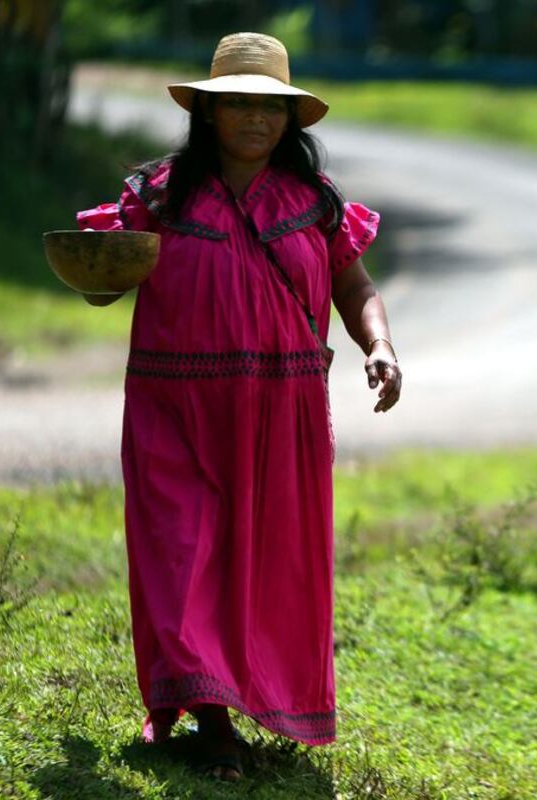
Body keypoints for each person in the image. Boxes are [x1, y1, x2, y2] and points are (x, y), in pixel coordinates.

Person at [74, 32, 401, 781]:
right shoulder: (160, 195)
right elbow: (102, 279)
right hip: (174, 409)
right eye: (238, 104)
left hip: (279, 415)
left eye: (270, 107)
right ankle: (214, 723)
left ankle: (257, 700)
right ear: (209, 114)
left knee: (264, 563)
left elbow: (356, 289)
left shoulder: (314, 205)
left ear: (291, 122)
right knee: (184, 553)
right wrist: (100, 267)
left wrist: (379, 348)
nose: (255, 119)